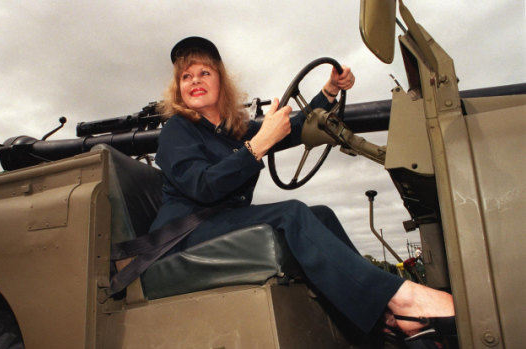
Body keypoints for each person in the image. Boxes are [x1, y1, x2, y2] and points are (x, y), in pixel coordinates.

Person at [150, 36, 455, 339]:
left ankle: (380, 322)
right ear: (178, 87)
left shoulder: (234, 132)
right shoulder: (176, 130)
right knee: (291, 214)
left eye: (205, 72)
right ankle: (402, 300)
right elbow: (203, 186)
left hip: (220, 224)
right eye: (186, 76)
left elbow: (294, 128)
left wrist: (330, 91)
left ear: (221, 81)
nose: (194, 81)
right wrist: (257, 146)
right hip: (183, 235)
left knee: (319, 214)